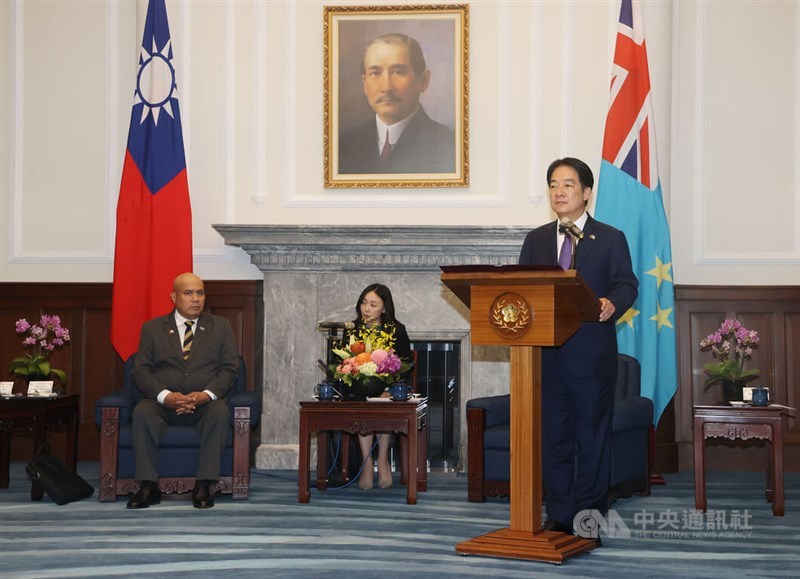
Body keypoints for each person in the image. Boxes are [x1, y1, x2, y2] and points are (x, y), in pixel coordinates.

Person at [518, 157, 638, 540]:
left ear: (586, 193)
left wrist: (611, 303)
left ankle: (589, 520)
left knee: (590, 440)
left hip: (591, 357)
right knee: (554, 440)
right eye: (553, 184)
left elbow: (627, 285)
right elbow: (523, 290)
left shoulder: (610, 237)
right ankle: (559, 513)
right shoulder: (536, 239)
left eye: (568, 184)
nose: (559, 191)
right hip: (547, 358)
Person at [127, 272, 239, 510]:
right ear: (173, 297)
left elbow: (230, 368)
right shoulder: (153, 328)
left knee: (219, 412)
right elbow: (140, 371)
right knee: (142, 412)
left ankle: (204, 485)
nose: (196, 299)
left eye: (200, 293)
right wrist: (165, 396)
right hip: (162, 404)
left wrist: (205, 395)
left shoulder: (220, 326)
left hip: (204, 404)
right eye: (188, 293)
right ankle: (148, 486)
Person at [338, 33, 455, 175]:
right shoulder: (343, 145)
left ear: (423, 81)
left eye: (398, 72)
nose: (386, 87)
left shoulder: (448, 145)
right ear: (364, 84)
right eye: (375, 73)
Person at [345, 283, 412, 490]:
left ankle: (382, 459)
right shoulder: (353, 329)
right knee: (361, 403)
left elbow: (405, 363)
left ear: (384, 308)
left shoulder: (396, 329)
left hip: (388, 387)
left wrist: (389, 385)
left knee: (384, 401)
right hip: (360, 387)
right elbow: (346, 362)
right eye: (364, 303)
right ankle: (367, 463)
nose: (367, 309)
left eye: (373, 304)